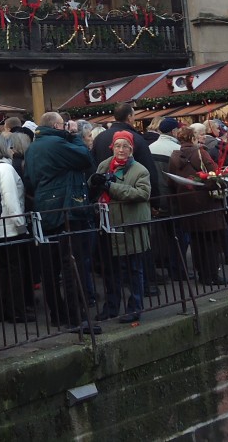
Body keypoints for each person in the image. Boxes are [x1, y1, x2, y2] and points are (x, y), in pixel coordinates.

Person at [23, 112, 97, 331]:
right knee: (70, 262)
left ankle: (57, 314)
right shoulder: (57, 143)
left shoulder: (33, 147)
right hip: (66, 208)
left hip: (45, 208)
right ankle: (76, 317)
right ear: (57, 125)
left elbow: (28, 180)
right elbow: (85, 157)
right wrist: (74, 134)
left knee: (51, 265)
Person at [91, 132, 151, 324]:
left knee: (134, 269)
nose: (121, 150)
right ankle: (111, 306)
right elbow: (94, 185)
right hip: (108, 225)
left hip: (130, 225)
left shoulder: (140, 170)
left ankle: (135, 307)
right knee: (111, 270)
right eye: (117, 146)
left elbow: (143, 193)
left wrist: (111, 187)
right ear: (112, 147)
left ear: (131, 149)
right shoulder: (104, 165)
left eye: (125, 146)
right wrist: (94, 183)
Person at [167, 127, 228, 286]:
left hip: (186, 203)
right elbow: (214, 175)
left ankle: (202, 273)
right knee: (211, 241)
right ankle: (212, 275)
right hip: (206, 202)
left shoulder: (174, 156)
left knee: (196, 241)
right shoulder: (200, 153)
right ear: (193, 138)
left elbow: (171, 183)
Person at [0, 134, 29, 322]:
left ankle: (5, 309)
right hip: (10, 228)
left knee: (2, 271)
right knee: (14, 271)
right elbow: (11, 200)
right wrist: (21, 224)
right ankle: (15, 311)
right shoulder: (6, 169)